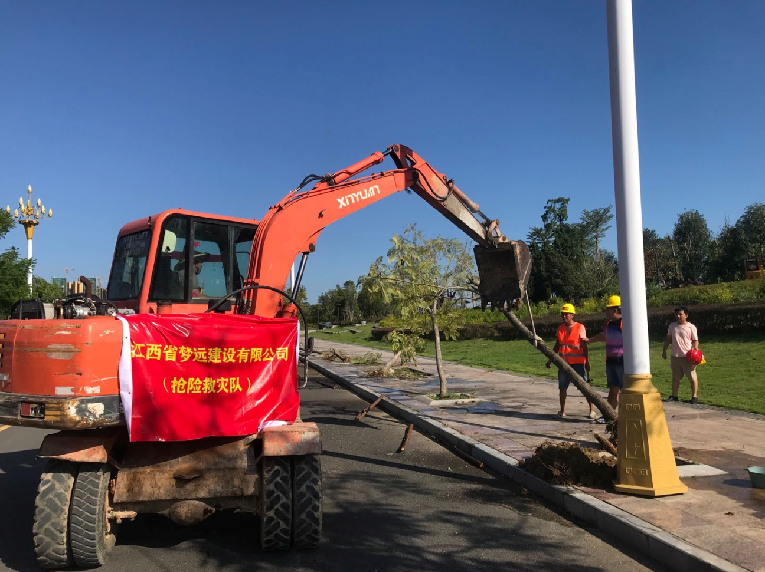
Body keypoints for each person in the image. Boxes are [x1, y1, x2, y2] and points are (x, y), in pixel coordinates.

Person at [546, 303, 594, 419]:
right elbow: (557, 345)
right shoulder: (560, 328)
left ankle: (592, 410)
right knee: (562, 387)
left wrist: (587, 362)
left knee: (585, 387)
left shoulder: (579, 327)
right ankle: (562, 411)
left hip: (578, 363)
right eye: (562, 314)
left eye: (566, 314)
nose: (564, 316)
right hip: (563, 363)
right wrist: (550, 360)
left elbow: (584, 346)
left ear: (572, 315)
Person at [583, 295, 624, 423]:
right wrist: (590, 340)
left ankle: (625, 417)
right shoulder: (609, 324)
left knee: (626, 392)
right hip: (610, 362)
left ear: (615, 310)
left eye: (608, 309)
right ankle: (608, 416)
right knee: (613, 391)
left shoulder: (625, 324)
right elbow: (603, 336)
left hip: (622, 363)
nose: (606, 312)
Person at [662, 306, 700, 404]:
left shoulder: (691, 327)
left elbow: (695, 340)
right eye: (676, 314)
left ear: (686, 315)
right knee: (675, 378)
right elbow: (668, 339)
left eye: (680, 314)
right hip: (675, 356)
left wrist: (695, 348)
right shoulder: (672, 326)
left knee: (692, 377)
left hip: (687, 357)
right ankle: (674, 396)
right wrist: (664, 350)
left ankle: (694, 397)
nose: (678, 316)